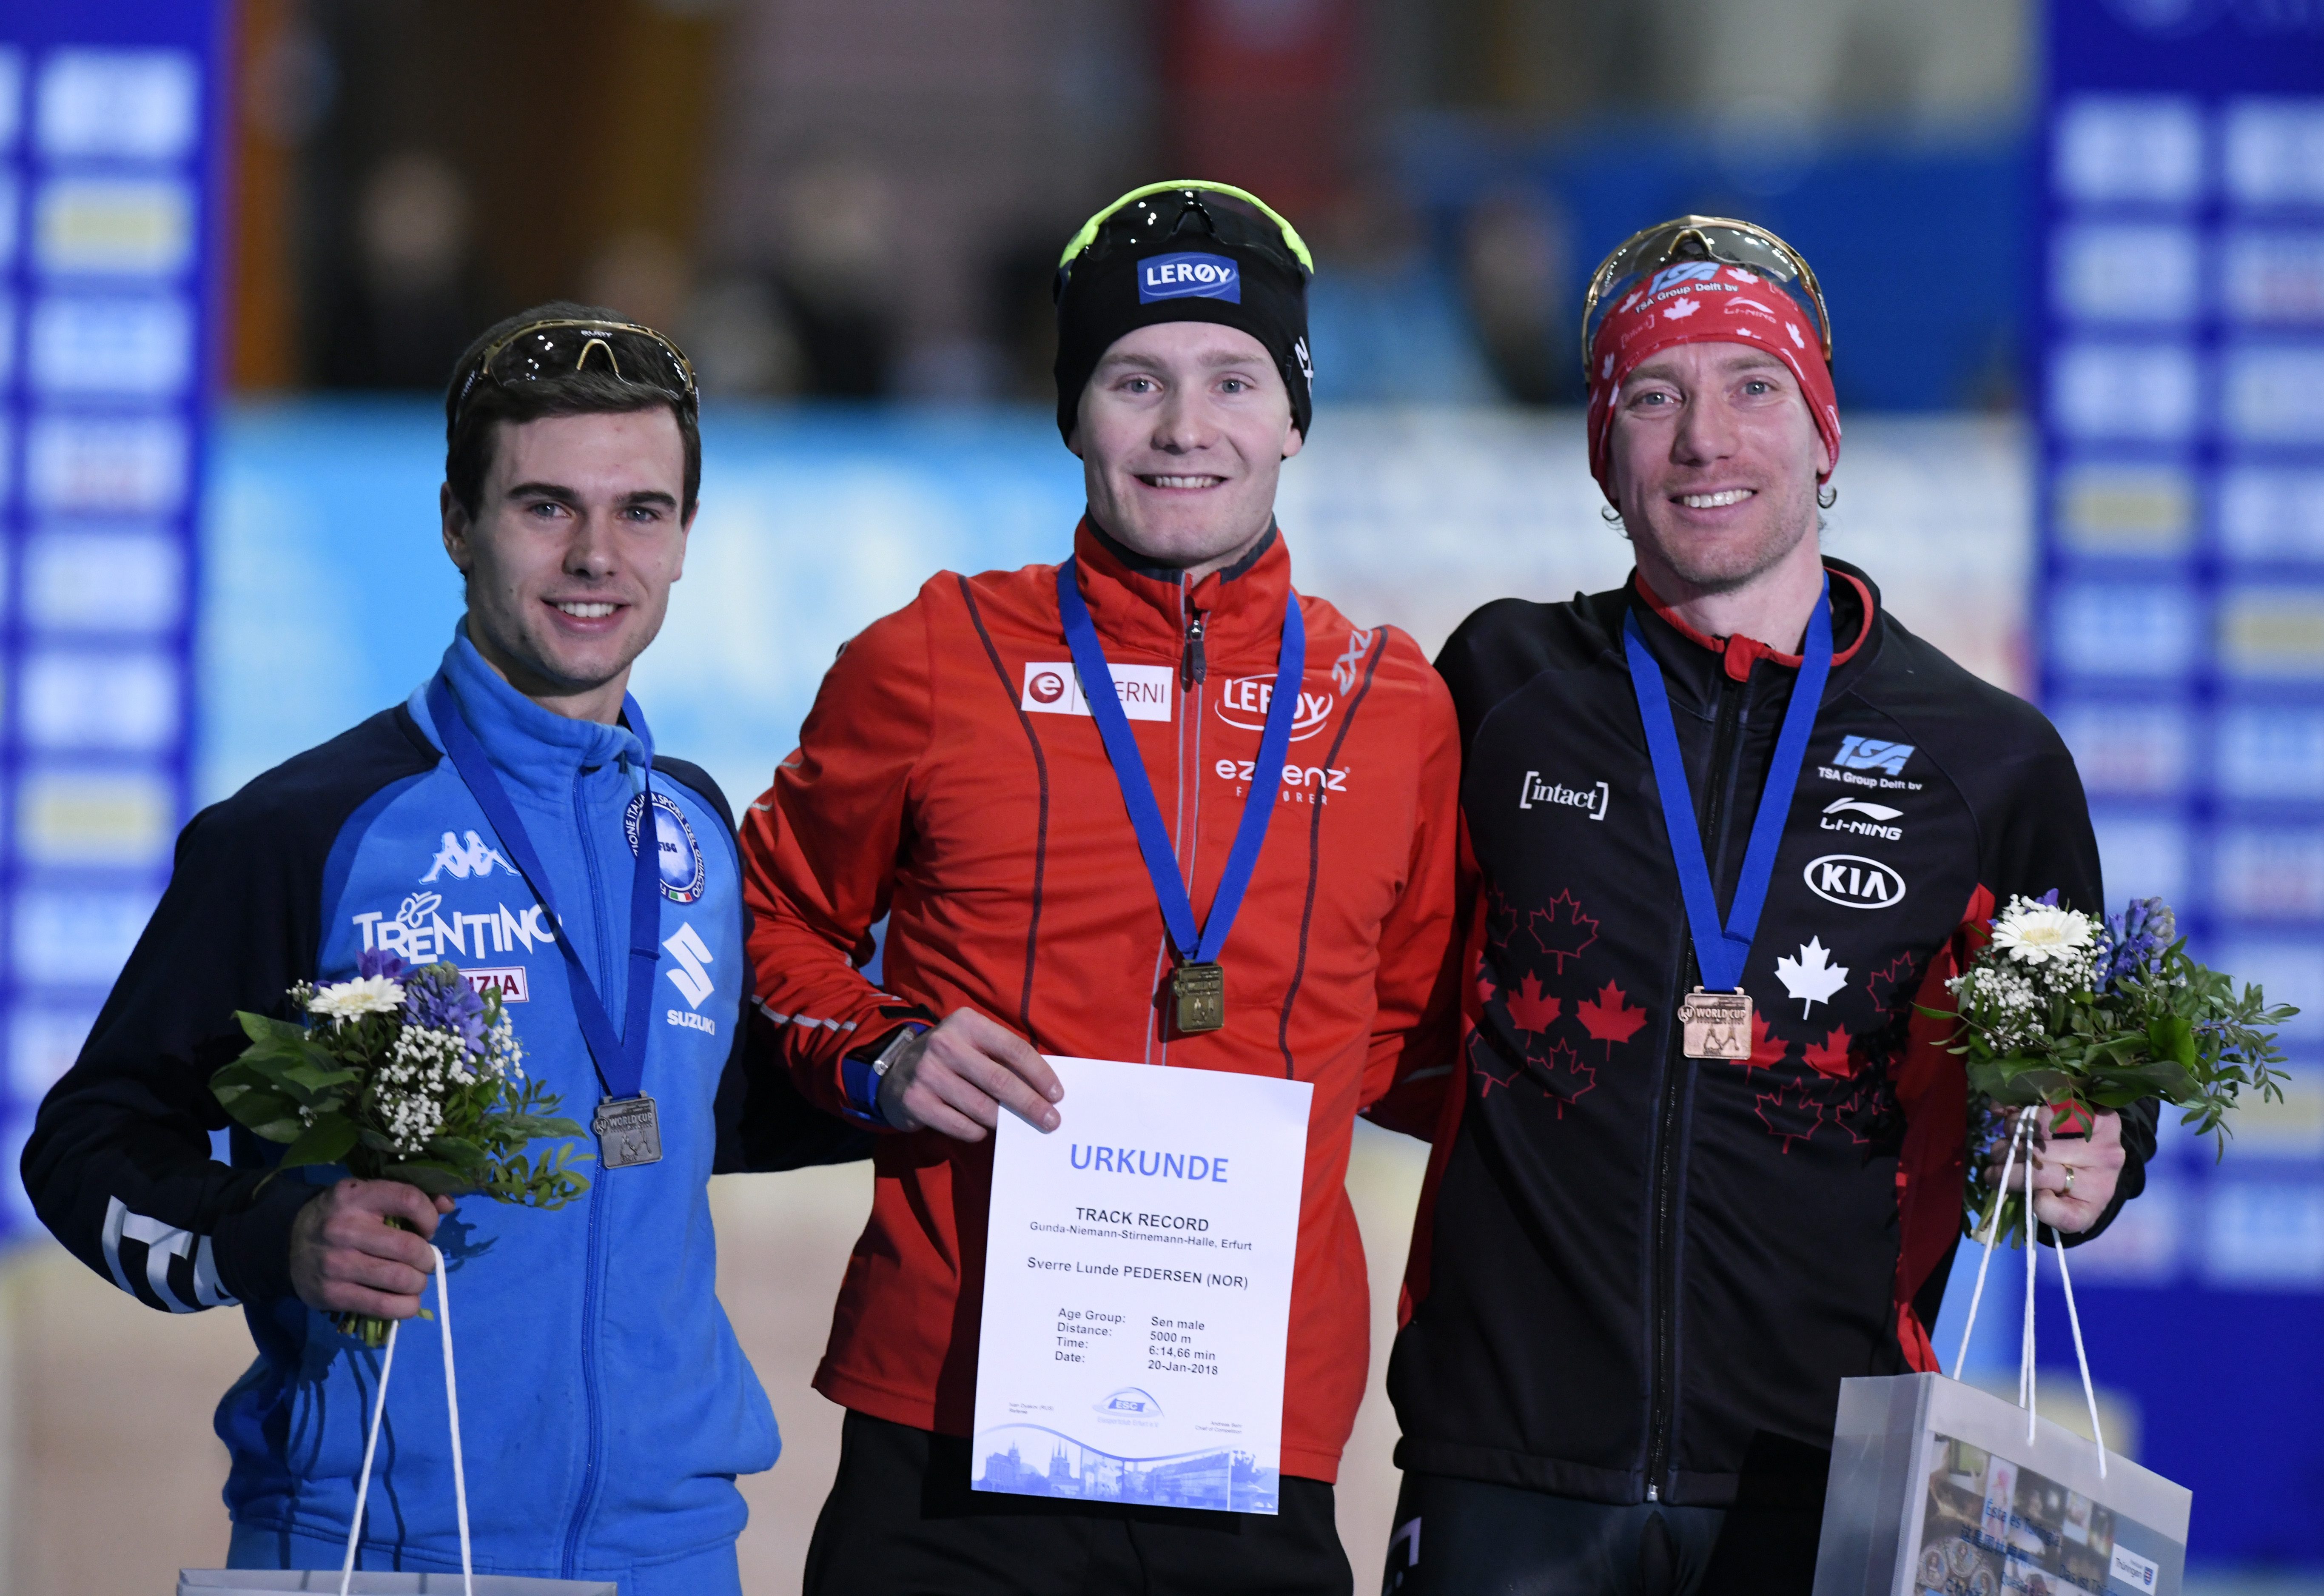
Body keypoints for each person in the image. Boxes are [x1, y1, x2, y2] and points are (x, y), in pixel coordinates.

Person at [21, 303, 861, 1594]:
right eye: (545, 507)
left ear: (687, 538)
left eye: (641, 511)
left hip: (677, 1556)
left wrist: (924, 1062)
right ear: (457, 523)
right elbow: (85, 1144)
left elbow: (715, 1102)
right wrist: (274, 1231)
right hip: (375, 1550)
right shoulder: (304, 830)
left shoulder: (691, 823)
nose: (597, 556)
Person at [1378, 217, 2158, 1595]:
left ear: (1825, 436)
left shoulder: (1984, 757)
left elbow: (2083, 1072)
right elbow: (1373, 976)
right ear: (1603, 455)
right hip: (1506, 1461)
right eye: (1654, 395)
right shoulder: (1502, 685)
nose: (1703, 440)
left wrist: (2089, 1157)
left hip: (1824, 1475)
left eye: (1753, 386)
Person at [741, 182, 1461, 1596]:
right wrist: (881, 1053)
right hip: (946, 1410)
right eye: (1135, 379)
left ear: (1295, 415)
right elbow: (772, 916)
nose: (1187, 430)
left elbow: (1411, 1036)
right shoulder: (935, 655)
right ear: (1074, 409)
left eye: (1233, 381)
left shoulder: (1392, 704)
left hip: (1251, 1422)